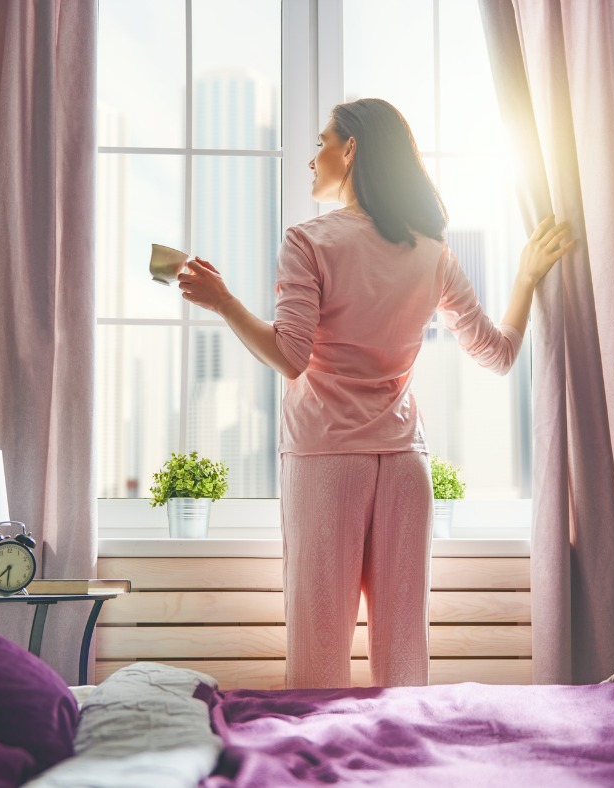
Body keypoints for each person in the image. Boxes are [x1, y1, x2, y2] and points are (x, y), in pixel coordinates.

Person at [177, 98, 575, 689]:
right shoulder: (432, 250)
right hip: (404, 465)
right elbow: (498, 353)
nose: (313, 158)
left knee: (317, 659)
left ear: (351, 149)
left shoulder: (307, 242)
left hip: (326, 461)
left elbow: (290, 356)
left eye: (320, 142)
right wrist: (524, 277)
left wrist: (225, 302)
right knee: (405, 663)